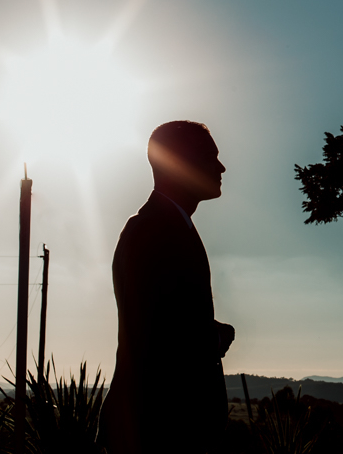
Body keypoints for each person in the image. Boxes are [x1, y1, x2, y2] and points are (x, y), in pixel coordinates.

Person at [100, 121, 235, 453]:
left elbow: (164, 316)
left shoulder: (166, 226)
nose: (221, 167)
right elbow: (163, 337)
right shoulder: (153, 231)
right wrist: (217, 336)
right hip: (158, 431)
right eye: (210, 157)